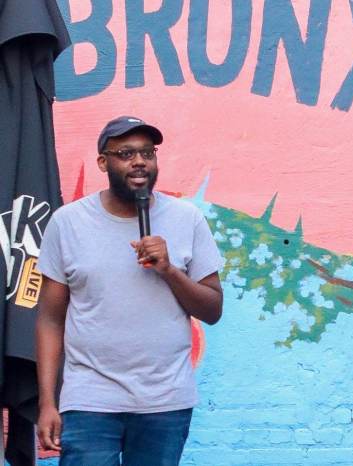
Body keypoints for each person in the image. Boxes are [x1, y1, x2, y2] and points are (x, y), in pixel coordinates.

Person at [35, 116, 224, 465]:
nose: (139, 161)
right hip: (90, 400)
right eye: (125, 153)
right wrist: (47, 402)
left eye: (147, 153)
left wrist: (169, 271)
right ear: (103, 162)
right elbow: (50, 320)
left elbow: (212, 310)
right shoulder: (68, 222)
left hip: (165, 402)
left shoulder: (188, 219)